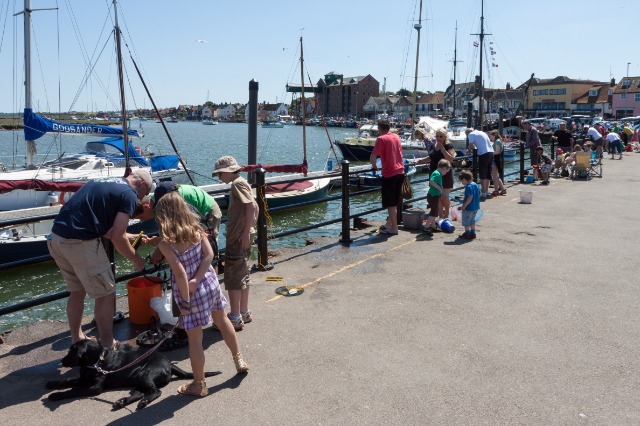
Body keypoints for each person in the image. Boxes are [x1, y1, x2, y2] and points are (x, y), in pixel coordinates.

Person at [154, 192, 248, 398]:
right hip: (209, 284)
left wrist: (186, 299)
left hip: (189, 294)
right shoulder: (197, 230)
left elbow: (179, 273)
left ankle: (199, 384)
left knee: (195, 339)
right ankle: (239, 359)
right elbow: (210, 255)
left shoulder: (165, 243)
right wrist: (198, 278)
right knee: (223, 321)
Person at [47, 170, 152, 349]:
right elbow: (118, 237)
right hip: (80, 242)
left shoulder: (103, 180)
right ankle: (108, 343)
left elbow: (103, 227)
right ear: (141, 184)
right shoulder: (129, 194)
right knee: (106, 292)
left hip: (56, 239)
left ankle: (77, 338)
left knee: (77, 291)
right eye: (146, 193)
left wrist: (131, 236)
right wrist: (136, 259)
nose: (143, 198)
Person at [212, 156, 258, 331]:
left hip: (237, 237)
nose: (219, 178)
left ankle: (235, 317)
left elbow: (251, 207)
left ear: (228, 171)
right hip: (243, 236)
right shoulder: (243, 182)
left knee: (233, 277)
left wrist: (245, 231)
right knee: (243, 274)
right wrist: (250, 229)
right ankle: (244, 312)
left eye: (220, 174)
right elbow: (256, 207)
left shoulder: (237, 184)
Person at [370, 119, 405, 235]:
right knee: (394, 201)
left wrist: (375, 167)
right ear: (389, 127)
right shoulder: (396, 136)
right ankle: (389, 224)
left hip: (390, 173)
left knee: (390, 203)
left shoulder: (381, 139)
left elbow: (373, 157)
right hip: (400, 172)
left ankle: (394, 228)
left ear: (379, 128)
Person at [422, 159, 451, 236]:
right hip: (433, 196)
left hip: (434, 195)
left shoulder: (437, 173)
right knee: (434, 212)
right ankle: (426, 227)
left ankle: (433, 226)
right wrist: (439, 188)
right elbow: (431, 181)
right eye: (446, 172)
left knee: (434, 210)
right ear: (444, 168)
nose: (445, 173)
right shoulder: (437, 174)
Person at [465, 128, 494, 199]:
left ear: (467, 134)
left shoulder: (471, 134)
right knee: (487, 172)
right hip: (491, 152)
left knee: (483, 173)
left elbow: (471, 146)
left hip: (483, 154)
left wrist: (468, 151)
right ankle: (486, 191)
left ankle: (483, 192)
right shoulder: (481, 132)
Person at [457, 169, 480, 240]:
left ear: (464, 179)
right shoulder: (475, 185)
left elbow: (470, 197)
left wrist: (464, 206)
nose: (462, 183)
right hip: (475, 207)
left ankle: (467, 233)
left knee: (466, 220)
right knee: (472, 220)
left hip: (469, 208)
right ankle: (473, 233)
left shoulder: (468, 187)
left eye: (462, 181)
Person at [488, 130, 506, 196]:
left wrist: (490, 153)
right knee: (496, 176)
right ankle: (502, 189)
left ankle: (496, 190)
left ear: (494, 135)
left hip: (495, 160)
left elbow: (497, 152)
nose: (490, 138)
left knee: (495, 176)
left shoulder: (498, 141)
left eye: (491, 136)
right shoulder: (497, 141)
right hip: (496, 159)